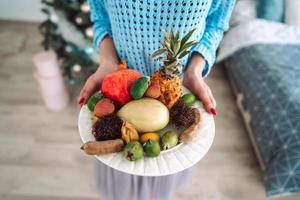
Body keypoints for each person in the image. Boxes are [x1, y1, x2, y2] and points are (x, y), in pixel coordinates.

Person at [79, 1, 235, 200]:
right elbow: (101, 17)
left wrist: (194, 71)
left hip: (175, 94)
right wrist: (108, 62)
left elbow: (215, 24)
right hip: (121, 89)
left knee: (161, 176)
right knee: (123, 180)